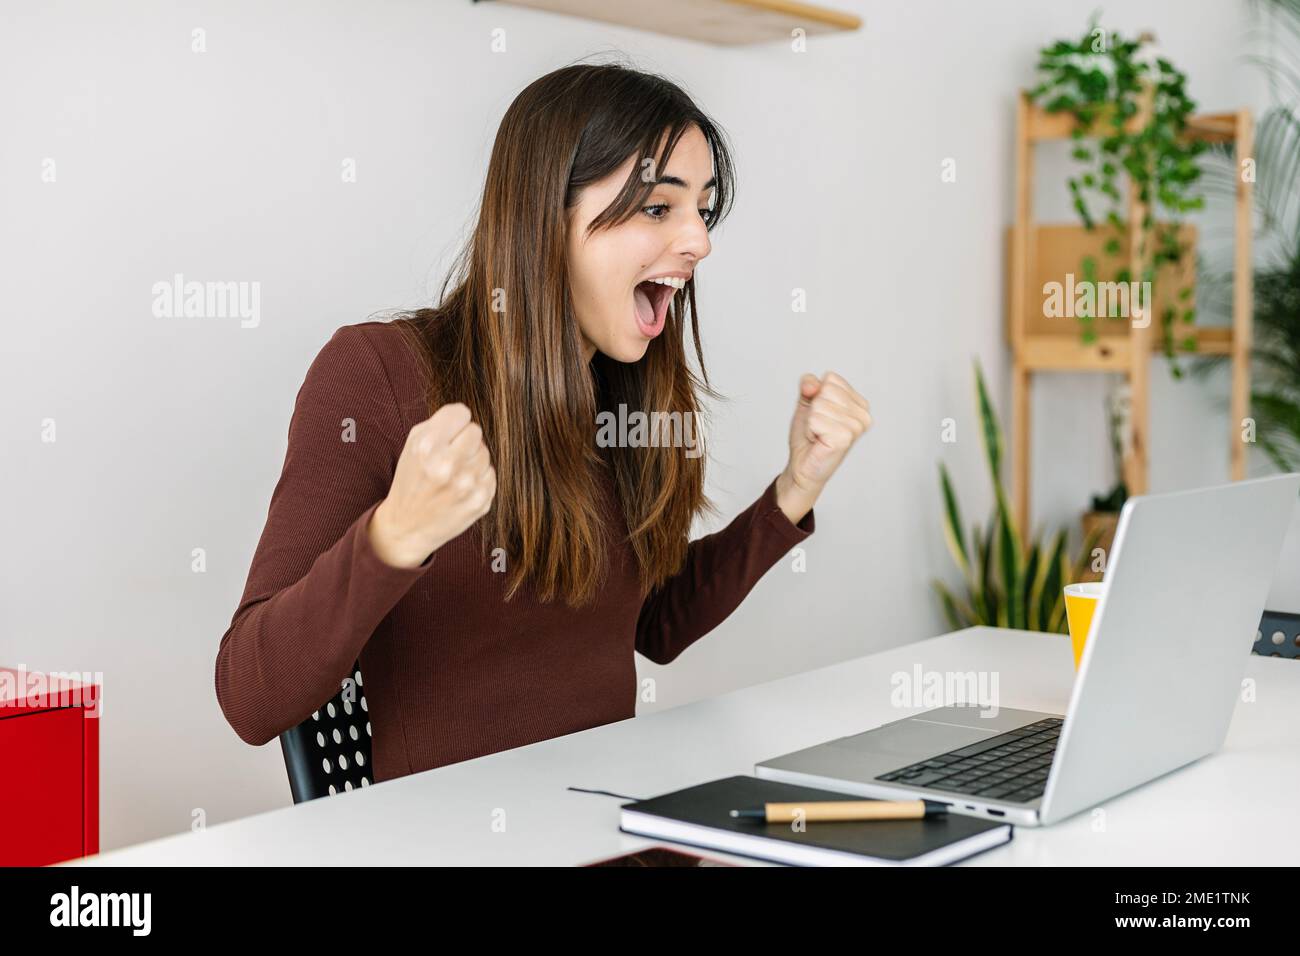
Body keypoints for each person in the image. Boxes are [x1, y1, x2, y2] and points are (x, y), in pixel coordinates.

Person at [214, 62, 871, 785]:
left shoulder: (619, 392)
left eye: (703, 210)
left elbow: (651, 623)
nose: (699, 242)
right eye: (658, 208)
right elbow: (251, 693)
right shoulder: (379, 375)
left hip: (614, 830)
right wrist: (393, 538)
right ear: (544, 215)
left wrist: (795, 487)